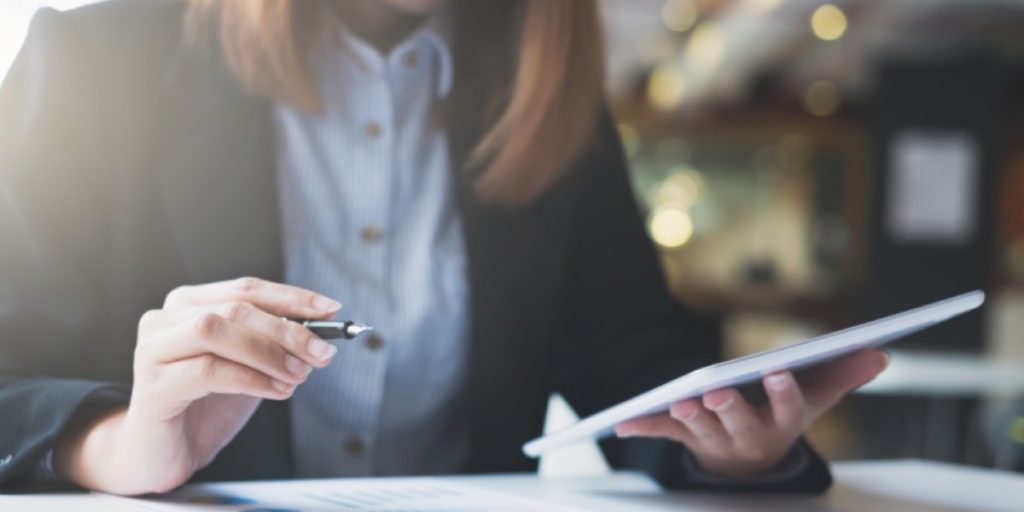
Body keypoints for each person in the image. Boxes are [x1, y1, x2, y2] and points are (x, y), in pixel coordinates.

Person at [0, 0, 887, 496]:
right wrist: (117, 446)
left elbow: (636, 358)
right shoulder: (93, 59)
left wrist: (728, 446)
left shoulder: (546, 95)